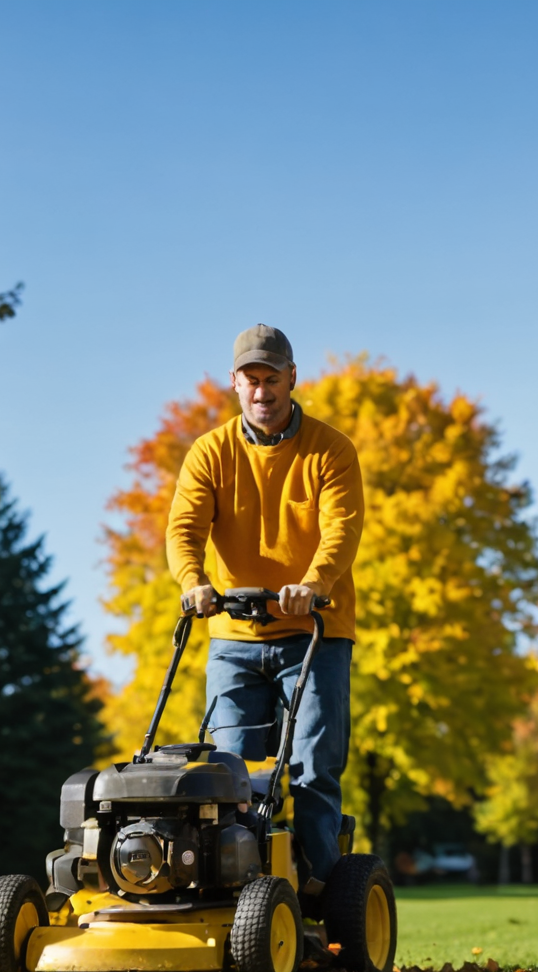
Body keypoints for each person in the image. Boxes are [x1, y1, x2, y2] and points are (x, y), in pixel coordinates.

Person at [167, 323, 364, 901]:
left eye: (271, 378)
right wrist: (194, 582)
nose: (262, 391)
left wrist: (314, 583)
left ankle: (321, 893)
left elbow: (342, 530)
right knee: (229, 773)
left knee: (312, 768)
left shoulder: (330, 449)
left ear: (292, 377)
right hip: (234, 635)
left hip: (314, 632)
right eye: (251, 379)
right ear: (234, 382)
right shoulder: (210, 453)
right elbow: (184, 530)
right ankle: (234, 888)